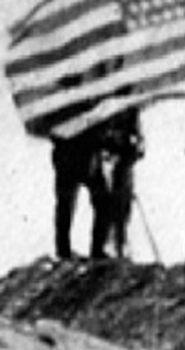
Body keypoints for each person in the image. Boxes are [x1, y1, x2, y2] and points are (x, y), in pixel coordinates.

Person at [89, 109, 143, 260]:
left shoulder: (131, 112)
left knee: (122, 209)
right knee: (105, 209)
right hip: (105, 165)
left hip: (123, 167)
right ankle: (104, 248)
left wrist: (134, 148)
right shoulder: (104, 110)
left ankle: (120, 245)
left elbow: (139, 143)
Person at [50, 126, 108, 260]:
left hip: (67, 157)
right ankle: (96, 250)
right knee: (101, 204)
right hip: (82, 158)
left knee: (65, 206)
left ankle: (63, 250)